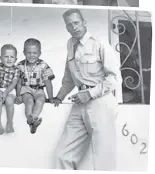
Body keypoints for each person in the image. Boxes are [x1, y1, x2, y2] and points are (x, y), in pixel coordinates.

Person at [53, 9, 122, 170]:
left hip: (101, 102)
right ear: (66, 28)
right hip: (79, 103)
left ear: (84, 22)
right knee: (63, 155)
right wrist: (59, 96)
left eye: (76, 22)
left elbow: (115, 78)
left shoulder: (100, 44)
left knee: (104, 158)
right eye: (69, 25)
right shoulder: (71, 44)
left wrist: (90, 94)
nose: (74, 27)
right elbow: (69, 77)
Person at [15, 38, 55, 134]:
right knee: (29, 101)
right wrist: (18, 96)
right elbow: (18, 83)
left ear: (39, 53)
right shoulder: (20, 66)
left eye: (34, 53)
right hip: (26, 89)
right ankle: (30, 119)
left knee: (40, 100)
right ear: (24, 52)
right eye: (29, 53)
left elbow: (48, 82)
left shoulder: (43, 65)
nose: (31, 55)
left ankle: (33, 119)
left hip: (39, 89)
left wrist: (50, 98)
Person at [0, 44, 20, 135]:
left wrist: (6, 93)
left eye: (12, 57)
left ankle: (9, 123)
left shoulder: (17, 69)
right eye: (6, 57)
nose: (9, 59)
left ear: (15, 59)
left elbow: (14, 83)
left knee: (9, 101)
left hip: (10, 90)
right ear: (1, 58)